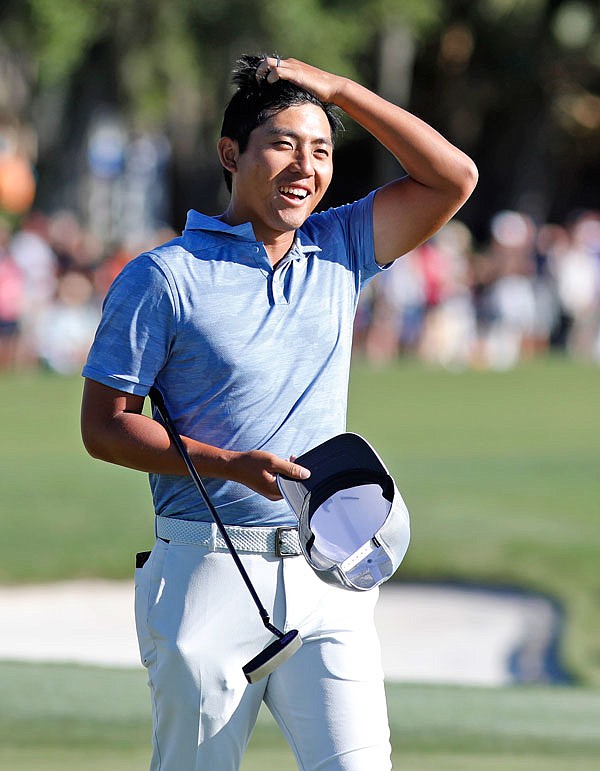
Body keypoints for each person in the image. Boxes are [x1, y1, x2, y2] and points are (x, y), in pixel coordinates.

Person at [80, 54, 477, 771]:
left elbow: (455, 178)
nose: (306, 165)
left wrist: (340, 90)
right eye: (285, 144)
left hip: (328, 572)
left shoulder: (342, 245)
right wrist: (227, 463)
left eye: (321, 149)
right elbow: (103, 425)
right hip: (203, 571)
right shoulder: (163, 277)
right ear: (232, 154)